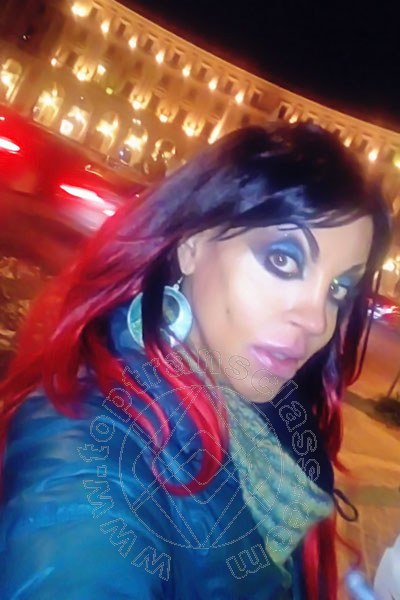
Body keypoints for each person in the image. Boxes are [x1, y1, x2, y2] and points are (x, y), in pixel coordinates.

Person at [0, 123, 391, 599]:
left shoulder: (268, 424)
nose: (316, 320)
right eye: (283, 260)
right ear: (192, 245)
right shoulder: (85, 442)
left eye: (338, 290)